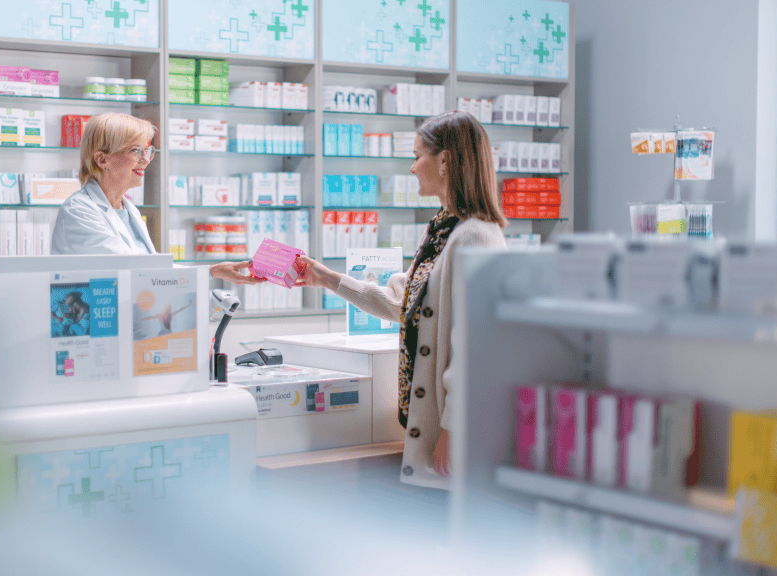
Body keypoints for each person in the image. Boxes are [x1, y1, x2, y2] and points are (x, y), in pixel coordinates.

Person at [296, 110, 508, 490]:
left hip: (450, 430)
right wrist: (328, 279)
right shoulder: (444, 229)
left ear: (445, 161)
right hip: (426, 425)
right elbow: (403, 304)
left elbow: (478, 349)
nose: (412, 168)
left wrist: (453, 431)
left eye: (417, 156)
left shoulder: (476, 236)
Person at [51, 112, 260, 285]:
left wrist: (213, 271)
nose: (146, 159)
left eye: (148, 150)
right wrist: (209, 272)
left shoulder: (127, 208)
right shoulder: (79, 210)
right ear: (102, 159)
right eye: (135, 150)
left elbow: (149, 267)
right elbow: (131, 268)